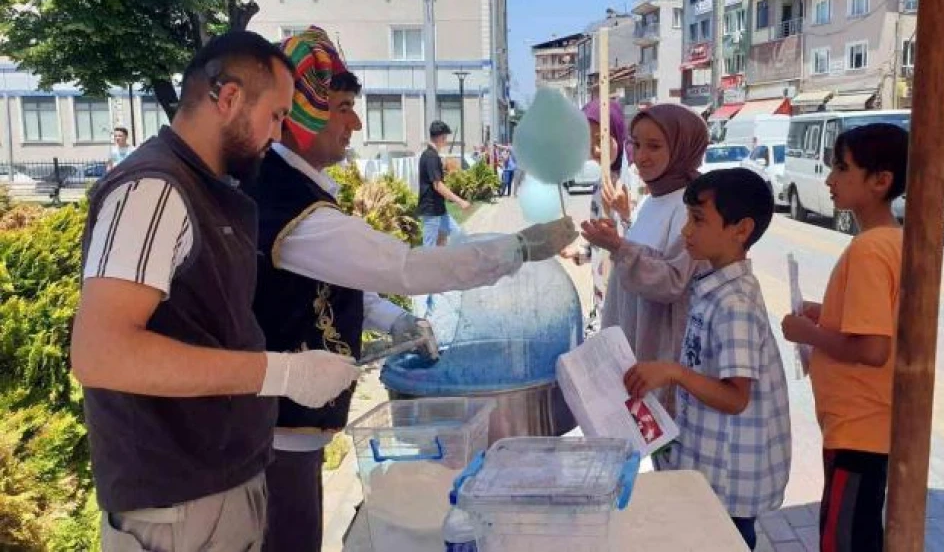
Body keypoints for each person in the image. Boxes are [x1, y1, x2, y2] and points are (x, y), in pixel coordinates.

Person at [244, 27, 576, 551]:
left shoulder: (296, 192)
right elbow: (405, 268)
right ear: (302, 114)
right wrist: (516, 250)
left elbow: (343, 278)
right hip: (275, 436)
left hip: (295, 430)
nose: (355, 123)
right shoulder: (284, 202)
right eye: (344, 107)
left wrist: (393, 320)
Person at [70, 31, 363, 551]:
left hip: (220, 486)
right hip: (178, 506)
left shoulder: (213, 190)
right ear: (228, 99)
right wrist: (282, 373)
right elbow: (102, 353)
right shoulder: (153, 189)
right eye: (275, 116)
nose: (278, 136)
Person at [623, 168, 791, 551]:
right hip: (707, 459)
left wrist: (673, 373)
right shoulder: (713, 284)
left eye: (698, 220)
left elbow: (736, 397)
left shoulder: (734, 304)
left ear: (741, 229)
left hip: (729, 477)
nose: (686, 232)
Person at [780, 123, 909, 552]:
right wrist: (826, 316)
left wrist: (809, 333)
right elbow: (870, 323)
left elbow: (873, 349)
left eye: (842, 168)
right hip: (866, 426)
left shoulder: (870, 249)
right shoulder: (892, 242)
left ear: (881, 181)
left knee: (844, 540)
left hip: (860, 431)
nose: (829, 180)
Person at [580, 104, 709, 410]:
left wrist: (619, 247)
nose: (641, 156)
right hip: (636, 337)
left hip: (662, 350)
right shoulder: (655, 199)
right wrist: (619, 233)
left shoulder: (691, 207)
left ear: (682, 147)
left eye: (654, 146)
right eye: (636, 144)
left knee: (666, 438)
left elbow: (672, 281)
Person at [561, 99, 627, 333]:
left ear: (617, 134)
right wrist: (579, 252)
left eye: (600, 139)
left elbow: (641, 243)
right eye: (588, 142)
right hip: (601, 297)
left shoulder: (630, 183)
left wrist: (626, 213)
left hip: (624, 298)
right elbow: (600, 244)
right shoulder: (600, 183)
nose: (594, 150)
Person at [419, 120, 470, 248]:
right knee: (429, 248)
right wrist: (460, 201)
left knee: (454, 236)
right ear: (441, 137)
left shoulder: (432, 155)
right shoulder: (431, 156)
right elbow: (438, 185)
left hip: (439, 210)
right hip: (431, 211)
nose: (446, 141)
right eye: (445, 137)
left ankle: (444, 264)